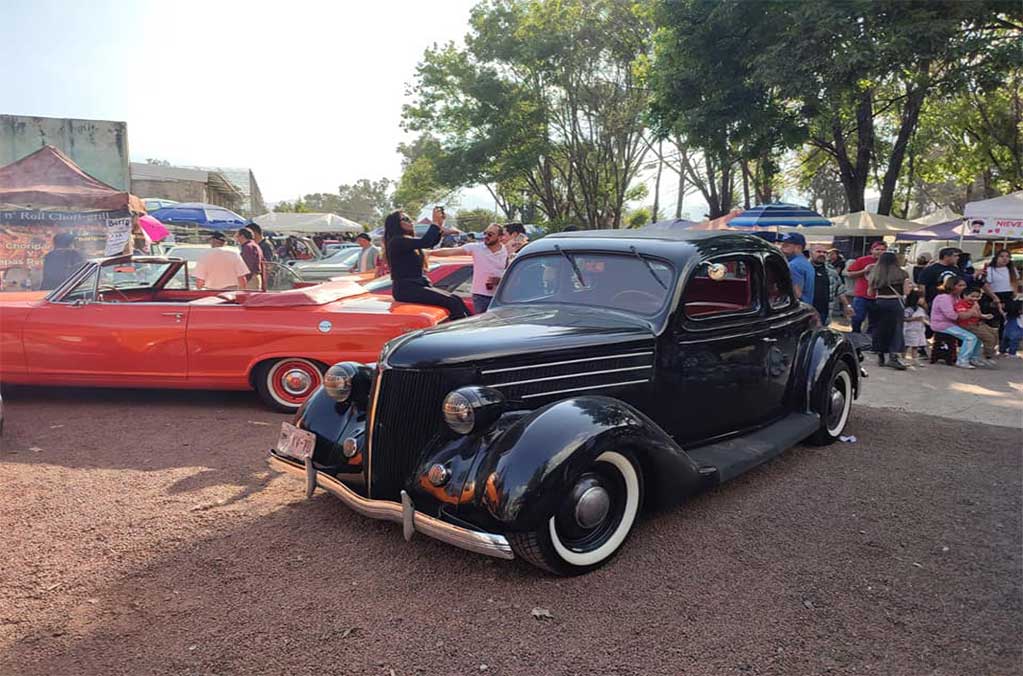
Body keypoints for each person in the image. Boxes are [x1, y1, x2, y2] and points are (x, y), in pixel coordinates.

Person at [384, 207, 470, 320]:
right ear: (395, 224)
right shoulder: (397, 241)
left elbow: (431, 242)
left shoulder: (406, 240)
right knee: (452, 301)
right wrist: (434, 223)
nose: (410, 221)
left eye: (410, 219)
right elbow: (426, 242)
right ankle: (460, 333)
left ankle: (470, 327)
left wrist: (439, 223)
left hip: (417, 285)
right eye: (405, 219)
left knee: (456, 299)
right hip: (407, 289)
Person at [431, 222, 509, 313]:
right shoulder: (476, 248)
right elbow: (451, 251)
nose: (486, 236)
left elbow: (509, 270)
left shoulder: (505, 251)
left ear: (500, 237)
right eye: (485, 233)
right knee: (484, 325)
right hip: (481, 296)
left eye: (490, 234)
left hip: (500, 296)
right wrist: (430, 253)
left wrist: (500, 280)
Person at [867, 251, 913, 369]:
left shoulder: (875, 273)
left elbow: (870, 292)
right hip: (895, 303)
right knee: (896, 330)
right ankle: (893, 357)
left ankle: (880, 355)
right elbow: (906, 292)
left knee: (880, 329)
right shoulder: (902, 273)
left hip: (879, 302)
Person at [930, 276, 984, 369]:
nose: (964, 287)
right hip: (942, 325)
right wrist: (968, 313)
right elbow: (951, 315)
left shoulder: (956, 297)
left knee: (979, 335)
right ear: (953, 286)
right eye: (960, 285)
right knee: (970, 337)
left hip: (955, 323)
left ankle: (974, 358)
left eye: (964, 285)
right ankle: (962, 360)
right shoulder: (944, 298)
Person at [844, 241, 887, 333]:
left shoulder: (887, 263)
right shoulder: (862, 260)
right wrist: (864, 270)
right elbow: (850, 274)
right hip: (862, 296)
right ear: (871, 250)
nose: (880, 252)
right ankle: (856, 335)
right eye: (877, 249)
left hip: (879, 296)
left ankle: (868, 340)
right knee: (857, 318)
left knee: (875, 322)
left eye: (883, 250)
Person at [955, 285, 998, 364]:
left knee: (994, 333)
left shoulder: (975, 304)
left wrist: (984, 316)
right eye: (972, 296)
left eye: (977, 297)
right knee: (989, 338)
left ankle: (976, 357)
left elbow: (977, 314)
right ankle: (988, 356)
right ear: (965, 295)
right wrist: (972, 310)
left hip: (978, 323)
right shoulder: (960, 304)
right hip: (967, 325)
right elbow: (962, 316)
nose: (975, 299)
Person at [980, 249, 1018, 337]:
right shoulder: (990, 269)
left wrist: (1015, 291)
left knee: (1006, 319)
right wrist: (994, 297)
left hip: (1008, 295)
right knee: (992, 319)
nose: (1005, 259)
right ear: (996, 257)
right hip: (993, 295)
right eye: (1002, 256)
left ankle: (1003, 340)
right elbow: (985, 284)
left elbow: (1015, 281)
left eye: (1007, 257)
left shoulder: (1011, 269)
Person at [809, 244, 850, 325]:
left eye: (824, 252)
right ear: (810, 253)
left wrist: (847, 306)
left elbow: (840, 289)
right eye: (818, 252)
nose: (822, 254)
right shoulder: (804, 268)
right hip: (807, 310)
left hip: (824, 311)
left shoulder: (830, 269)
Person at [778, 232, 815, 305]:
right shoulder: (806, 263)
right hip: (807, 306)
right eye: (782, 245)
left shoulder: (793, 265)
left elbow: (796, 294)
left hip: (797, 307)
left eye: (786, 245)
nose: (781, 248)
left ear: (798, 247)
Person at [902, 290, 929, 365]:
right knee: (906, 345)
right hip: (910, 330)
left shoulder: (921, 309)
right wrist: (915, 319)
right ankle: (903, 358)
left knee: (915, 346)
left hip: (919, 330)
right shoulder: (909, 309)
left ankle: (915, 359)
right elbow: (904, 318)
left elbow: (925, 318)